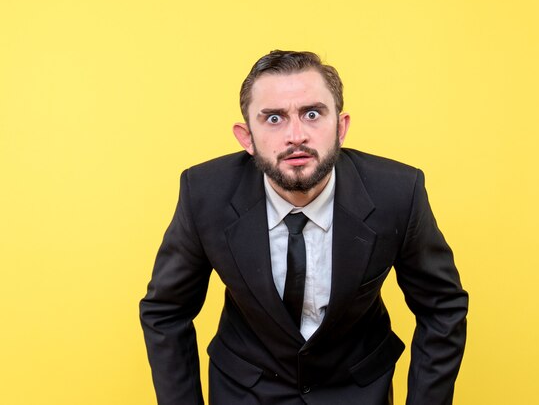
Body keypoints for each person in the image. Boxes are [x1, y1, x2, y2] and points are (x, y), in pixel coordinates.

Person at [139, 50, 468, 405]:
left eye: (312, 114)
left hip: (358, 391)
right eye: (274, 118)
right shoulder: (204, 193)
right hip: (245, 390)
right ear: (246, 137)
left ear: (340, 127)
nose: (296, 135)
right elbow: (165, 311)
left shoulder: (398, 193)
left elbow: (442, 307)